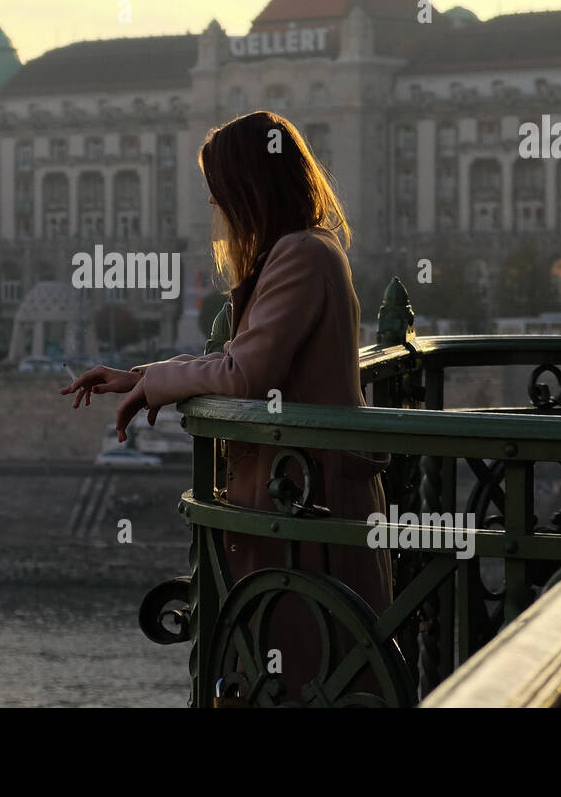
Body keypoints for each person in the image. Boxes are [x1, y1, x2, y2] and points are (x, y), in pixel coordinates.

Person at [62, 110, 392, 700]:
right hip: (303, 499)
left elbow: (246, 371)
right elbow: (245, 362)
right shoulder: (307, 250)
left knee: (303, 671)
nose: (215, 210)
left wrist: (157, 381)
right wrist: (140, 377)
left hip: (303, 505)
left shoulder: (299, 254)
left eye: (220, 194)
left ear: (250, 190)